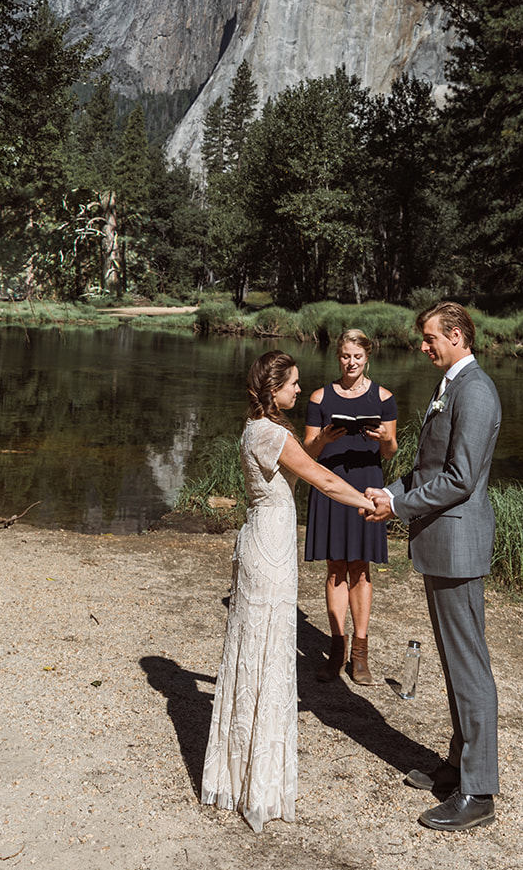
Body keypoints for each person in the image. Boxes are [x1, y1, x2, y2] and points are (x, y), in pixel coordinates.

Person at [201, 351, 371, 834]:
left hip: (260, 538)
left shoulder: (256, 429)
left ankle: (239, 770)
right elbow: (319, 479)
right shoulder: (275, 433)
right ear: (273, 389)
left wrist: (322, 444)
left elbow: (294, 468)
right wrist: (373, 504)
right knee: (268, 647)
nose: (300, 390)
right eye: (293, 384)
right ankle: (258, 781)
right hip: (270, 550)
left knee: (254, 647)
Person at [365, 301, 501, 832]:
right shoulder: (451, 385)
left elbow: (462, 478)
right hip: (441, 544)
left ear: (458, 336)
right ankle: (457, 767)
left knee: (469, 668)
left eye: (429, 338)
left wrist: (399, 507)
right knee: (453, 663)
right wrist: (389, 493)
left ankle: (479, 791)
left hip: (458, 545)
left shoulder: (476, 390)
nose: (422, 346)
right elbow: (429, 469)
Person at [303, 329, 398, 684]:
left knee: (360, 568)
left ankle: (360, 653)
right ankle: (337, 647)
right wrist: (323, 438)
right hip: (330, 487)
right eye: (345, 356)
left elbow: (390, 452)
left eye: (357, 357)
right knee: (334, 568)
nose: (351, 362)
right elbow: (308, 452)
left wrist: (386, 438)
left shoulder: (384, 398)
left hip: (367, 486)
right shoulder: (319, 397)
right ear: (337, 357)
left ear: (367, 357)